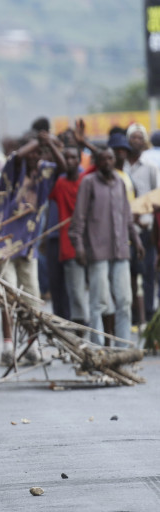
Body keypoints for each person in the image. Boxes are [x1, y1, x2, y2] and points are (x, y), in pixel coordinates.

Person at [0, 119, 67, 366]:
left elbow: (62, 165)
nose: (36, 156)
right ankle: (8, 348)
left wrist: (48, 144)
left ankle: (32, 347)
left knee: (32, 299)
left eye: (39, 153)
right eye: (33, 151)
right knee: (9, 296)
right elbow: (19, 154)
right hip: (3, 243)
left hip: (28, 245)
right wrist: (37, 142)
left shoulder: (44, 170)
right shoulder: (14, 166)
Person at [69, 148, 144, 346]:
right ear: (97, 162)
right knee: (99, 302)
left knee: (125, 301)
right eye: (103, 159)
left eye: (110, 158)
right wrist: (79, 246)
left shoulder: (120, 182)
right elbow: (79, 219)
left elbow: (127, 217)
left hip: (120, 250)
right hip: (97, 251)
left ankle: (122, 349)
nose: (108, 162)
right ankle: (98, 348)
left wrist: (136, 240)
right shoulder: (88, 183)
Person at [123, 123, 160, 327]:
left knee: (147, 273)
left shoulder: (151, 168)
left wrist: (141, 213)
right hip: (125, 230)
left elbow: (157, 197)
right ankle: (133, 317)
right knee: (128, 274)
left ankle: (147, 314)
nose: (136, 141)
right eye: (133, 137)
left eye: (140, 137)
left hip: (145, 228)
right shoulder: (121, 166)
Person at [49, 147, 87, 329]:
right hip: (68, 246)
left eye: (74, 157)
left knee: (90, 294)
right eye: (67, 157)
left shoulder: (86, 181)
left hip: (89, 245)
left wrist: (84, 142)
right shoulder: (60, 184)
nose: (69, 161)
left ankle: (90, 330)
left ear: (79, 161)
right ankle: (77, 329)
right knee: (74, 292)